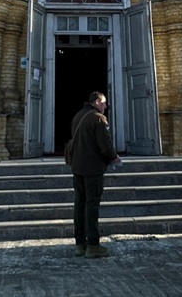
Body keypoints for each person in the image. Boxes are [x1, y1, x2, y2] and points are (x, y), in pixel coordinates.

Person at [68, 91, 120, 258]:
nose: (105, 106)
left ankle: (79, 245)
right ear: (97, 101)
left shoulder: (77, 116)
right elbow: (105, 144)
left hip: (77, 167)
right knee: (92, 205)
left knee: (79, 204)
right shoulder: (98, 118)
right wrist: (114, 157)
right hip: (93, 169)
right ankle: (93, 245)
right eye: (104, 103)